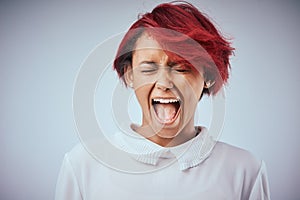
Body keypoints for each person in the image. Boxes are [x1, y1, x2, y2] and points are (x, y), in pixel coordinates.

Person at [55, 1, 270, 199]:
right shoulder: (82, 166)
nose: (164, 82)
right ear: (130, 74)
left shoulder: (245, 171)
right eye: (149, 68)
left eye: (181, 68)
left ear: (206, 76)